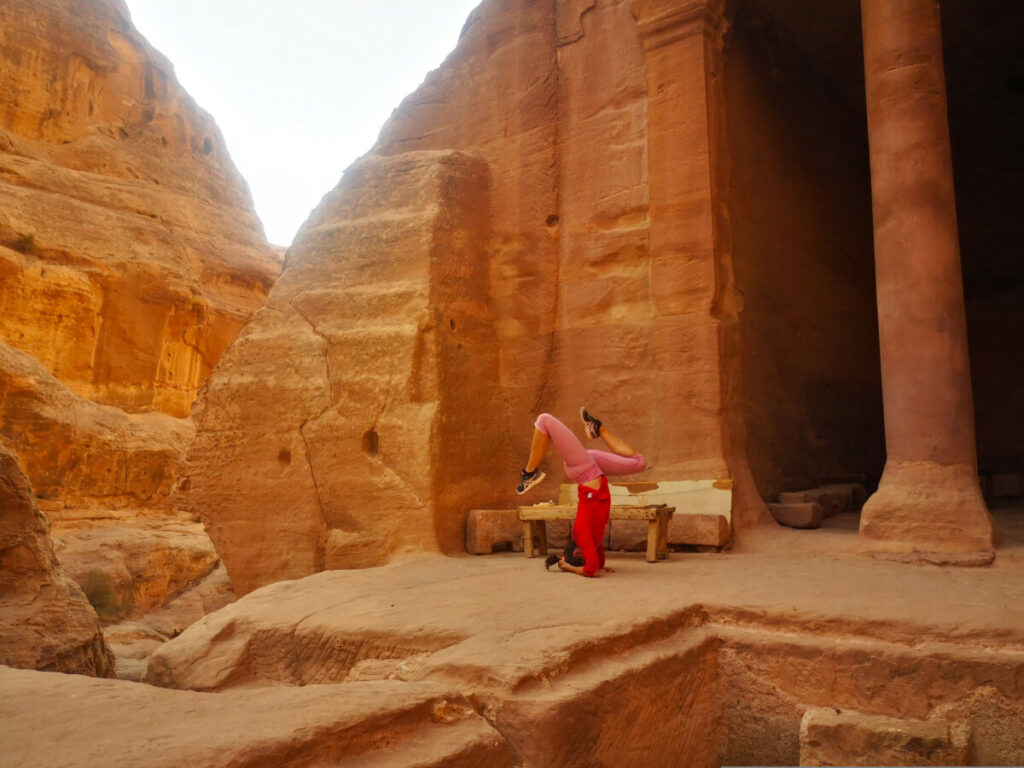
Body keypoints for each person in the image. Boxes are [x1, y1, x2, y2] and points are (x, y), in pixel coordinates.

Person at [516, 408, 647, 577]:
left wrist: (568, 567)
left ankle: (529, 473)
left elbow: (591, 570)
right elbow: (597, 565)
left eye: (585, 556)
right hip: (591, 466)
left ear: (578, 553)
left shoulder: (582, 534)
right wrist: (570, 564)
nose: (589, 554)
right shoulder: (594, 541)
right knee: (639, 462)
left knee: (544, 420)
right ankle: (598, 429)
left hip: (583, 468)